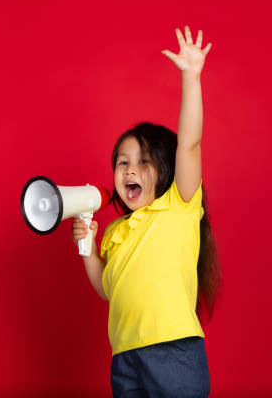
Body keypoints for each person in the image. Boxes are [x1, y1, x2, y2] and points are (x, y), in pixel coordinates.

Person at [72, 26, 222, 398]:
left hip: (172, 352)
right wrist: (89, 249)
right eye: (122, 162)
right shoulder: (115, 232)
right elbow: (110, 288)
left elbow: (189, 144)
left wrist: (191, 78)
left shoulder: (178, 206)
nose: (129, 170)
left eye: (142, 161)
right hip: (124, 356)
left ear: (167, 168)